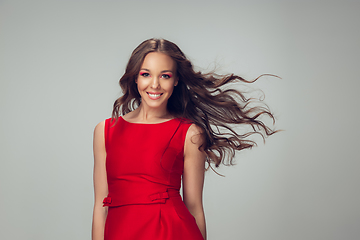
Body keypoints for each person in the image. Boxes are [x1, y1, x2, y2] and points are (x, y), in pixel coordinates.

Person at [92, 38, 277, 240]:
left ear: (176, 80)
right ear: (135, 78)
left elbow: (195, 208)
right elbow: (100, 206)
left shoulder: (190, 133)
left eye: (165, 76)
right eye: (146, 74)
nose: (154, 84)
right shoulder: (105, 131)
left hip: (171, 232)